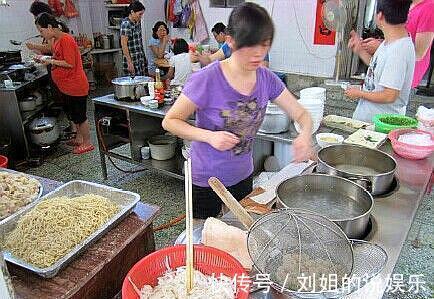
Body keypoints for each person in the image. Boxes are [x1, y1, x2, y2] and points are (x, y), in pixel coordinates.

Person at [162, 3, 312, 219]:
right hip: (206, 179)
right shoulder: (208, 78)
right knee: (204, 238)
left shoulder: (266, 78)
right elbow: (171, 121)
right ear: (230, 41)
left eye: (264, 45)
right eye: (249, 47)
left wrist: (304, 136)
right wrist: (210, 136)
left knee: (238, 233)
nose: (258, 55)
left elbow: (302, 114)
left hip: (242, 175)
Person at [345, 0, 415, 123]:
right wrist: (360, 50)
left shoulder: (398, 51)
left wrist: (359, 93)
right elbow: (378, 68)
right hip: (369, 120)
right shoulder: (391, 41)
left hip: (380, 125)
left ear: (380, 15)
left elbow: (389, 95)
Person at [35, 13, 94, 154]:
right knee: (74, 115)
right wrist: (45, 58)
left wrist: (50, 61)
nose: (41, 34)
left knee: (80, 116)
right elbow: (58, 57)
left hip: (76, 85)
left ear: (49, 27)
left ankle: (87, 143)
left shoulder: (66, 39)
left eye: (41, 31)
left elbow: (70, 63)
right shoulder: (56, 40)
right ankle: (79, 139)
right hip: (66, 86)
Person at [360, 0, 434, 89]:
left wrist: (380, 47)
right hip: (392, 67)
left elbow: (419, 53)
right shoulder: (408, 3)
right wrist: (382, 42)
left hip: (403, 73)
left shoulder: (430, 8)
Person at [120, 1, 146, 76]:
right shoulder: (126, 24)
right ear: (132, 12)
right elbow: (124, 45)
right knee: (134, 83)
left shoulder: (137, 22)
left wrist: (143, 58)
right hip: (131, 58)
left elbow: (139, 43)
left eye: (142, 14)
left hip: (139, 57)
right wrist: (129, 63)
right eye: (140, 14)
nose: (141, 16)